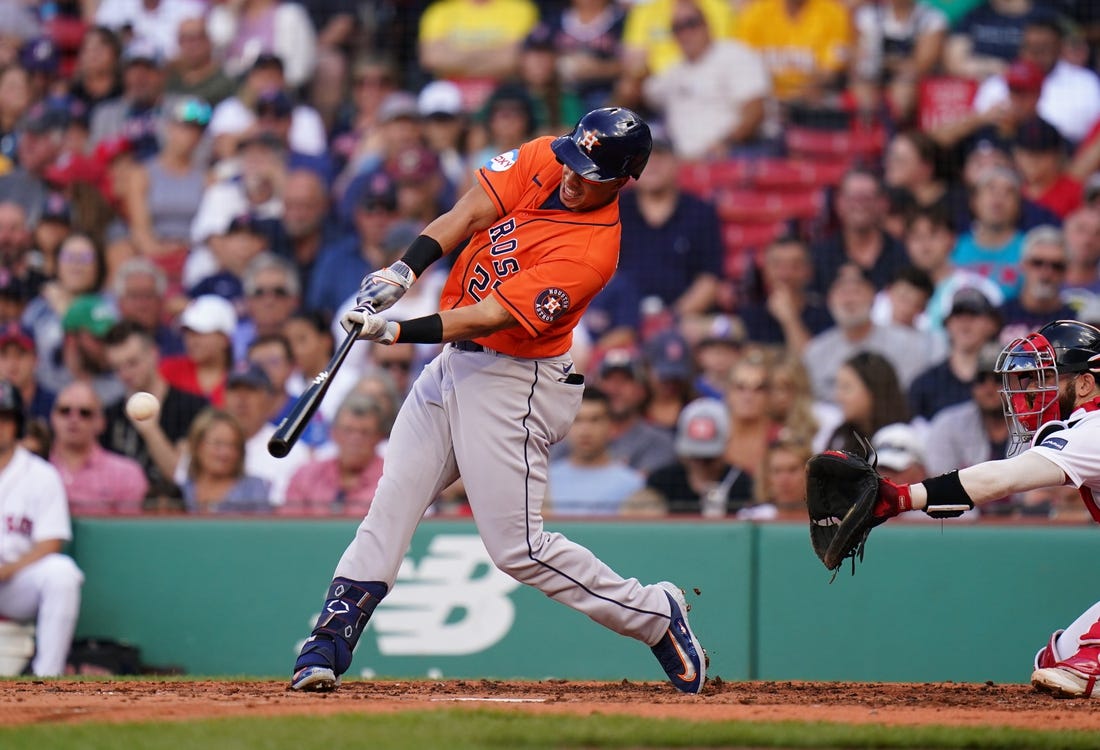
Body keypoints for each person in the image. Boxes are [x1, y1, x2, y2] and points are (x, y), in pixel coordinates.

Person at [288, 107, 707, 695]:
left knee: (520, 549)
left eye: (590, 172)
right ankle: (326, 647)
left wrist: (397, 331)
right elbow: (470, 212)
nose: (572, 175)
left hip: (517, 379)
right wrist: (404, 270)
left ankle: (655, 615)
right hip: (457, 364)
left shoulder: (591, 252)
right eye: (573, 160)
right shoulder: (547, 156)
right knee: (391, 506)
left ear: (621, 182)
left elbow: (488, 316)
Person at [855, 319, 1100, 696]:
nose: (1032, 391)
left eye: (1045, 377)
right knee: (1055, 661)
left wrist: (903, 497)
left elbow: (1000, 480)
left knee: (1086, 667)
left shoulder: (1094, 428)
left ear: (1085, 383)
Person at [0, 380, 83, 676]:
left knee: (62, 573)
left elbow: (51, 541)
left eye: (5, 418)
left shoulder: (40, 474)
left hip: (14, 581)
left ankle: (47, 681)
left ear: (17, 425)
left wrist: (7, 570)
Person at [641, 0, 770, 159]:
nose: (686, 33)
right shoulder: (673, 72)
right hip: (685, 163)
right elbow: (640, 94)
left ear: (707, 24)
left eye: (691, 23)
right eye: (677, 28)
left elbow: (755, 111)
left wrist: (725, 144)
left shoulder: (735, 54)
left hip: (735, 153)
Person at [102, 321, 209, 508]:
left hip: (177, 513)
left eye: (132, 363)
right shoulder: (109, 415)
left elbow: (180, 475)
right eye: (118, 368)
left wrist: (150, 430)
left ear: (153, 354)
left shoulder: (193, 407)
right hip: (125, 515)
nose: (126, 374)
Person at [624, 396, 753, 517]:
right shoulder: (661, 483)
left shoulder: (742, 484)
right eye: (695, 455)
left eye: (709, 458)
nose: (701, 463)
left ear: (726, 444)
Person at [49, 381, 148, 515]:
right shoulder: (33, 468)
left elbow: (129, 532)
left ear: (100, 422)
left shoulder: (126, 474)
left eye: (85, 413)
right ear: (53, 417)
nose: (73, 419)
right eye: (65, 411)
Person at [280, 393, 388, 516]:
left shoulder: (390, 480)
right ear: (333, 433)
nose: (355, 440)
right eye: (348, 430)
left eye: (365, 432)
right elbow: (289, 527)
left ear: (379, 437)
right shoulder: (306, 476)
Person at [547, 386, 645, 516]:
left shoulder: (633, 483)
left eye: (595, 420)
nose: (585, 430)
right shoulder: (545, 481)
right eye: (577, 420)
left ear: (611, 425)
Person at [180, 408, 271, 514]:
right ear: (198, 445)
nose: (225, 453)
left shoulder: (254, 488)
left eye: (233, 445)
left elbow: (263, 528)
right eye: (217, 444)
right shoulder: (182, 490)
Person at [997, 226, 1076, 342]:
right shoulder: (1000, 315)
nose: (1046, 273)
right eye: (1037, 263)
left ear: (1066, 271)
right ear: (1023, 265)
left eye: (1056, 266)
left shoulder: (1074, 322)